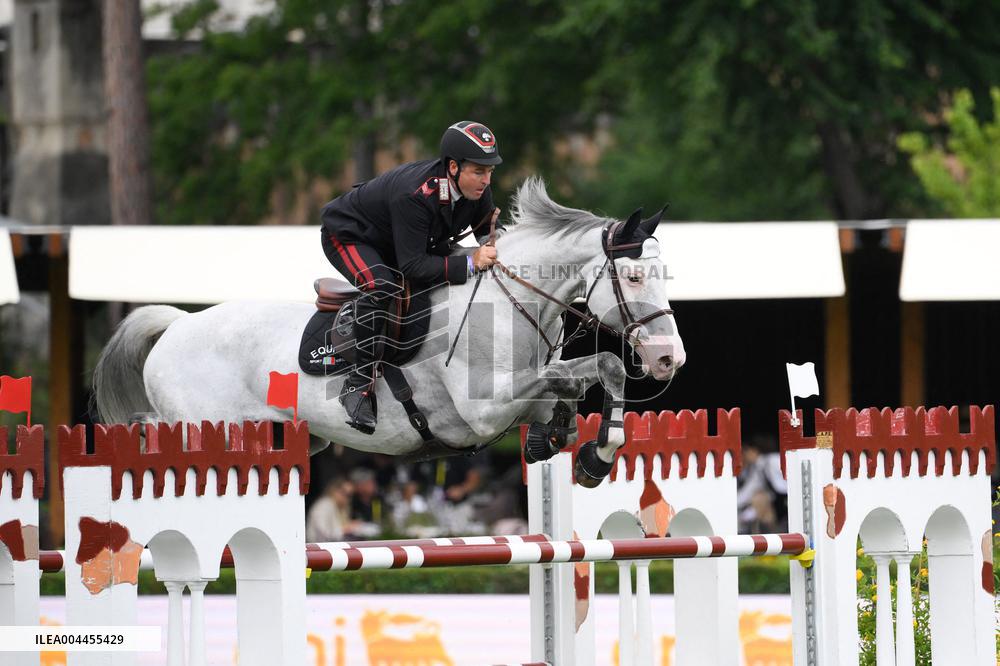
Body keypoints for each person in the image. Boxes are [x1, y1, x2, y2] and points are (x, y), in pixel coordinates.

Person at [320, 121, 504, 433]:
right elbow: (414, 267)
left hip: (396, 241)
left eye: (490, 172)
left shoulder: (475, 189)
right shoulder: (416, 195)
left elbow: (493, 234)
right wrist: (471, 263)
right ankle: (358, 385)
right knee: (383, 287)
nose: (486, 181)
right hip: (350, 235)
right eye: (478, 172)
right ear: (454, 167)